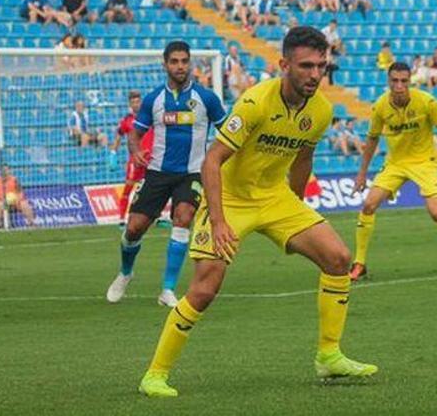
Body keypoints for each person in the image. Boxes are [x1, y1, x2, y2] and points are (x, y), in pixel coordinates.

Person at [137, 27, 377, 398]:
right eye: (306, 66)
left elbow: (304, 157)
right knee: (205, 289)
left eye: (321, 66)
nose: (315, 74)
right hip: (230, 199)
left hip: (275, 197)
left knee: (338, 257)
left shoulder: (322, 109)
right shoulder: (254, 103)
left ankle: (329, 355)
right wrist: (217, 221)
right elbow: (212, 162)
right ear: (284, 65)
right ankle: (155, 374)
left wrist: (296, 205)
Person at [105, 41, 227, 308]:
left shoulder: (206, 98)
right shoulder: (153, 99)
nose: (180, 66)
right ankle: (126, 272)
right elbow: (135, 134)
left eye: (184, 61)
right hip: (158, 173)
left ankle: (168, 290)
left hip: (192, 173)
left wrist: (219, 160)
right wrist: (136, 151)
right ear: (165, 64)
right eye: (175, 61)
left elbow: (228, 132)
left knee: (183, 218)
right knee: (134, 228)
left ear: (190, 63)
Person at [349, 62, 437, 281]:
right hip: (395, 163)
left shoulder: (426, 102)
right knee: (369, 204)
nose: (399, 86)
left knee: (436, 211)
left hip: (424, 162)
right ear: (388, 81)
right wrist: (362, 173)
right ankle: (359, 263)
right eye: (394, 81)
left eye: (403, 81)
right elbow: (372, 139)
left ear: (410, 81)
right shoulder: (380, 106)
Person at [110, 90, 155, 225]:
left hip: (150, 158)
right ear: (130, 104)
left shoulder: (149, 117)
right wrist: (113, 152)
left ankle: (157, 217)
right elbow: (119, 135)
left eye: (137, 101)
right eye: (133, 102)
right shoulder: (127, 120)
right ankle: (122, 218)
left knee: (155, 188)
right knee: (128, 187)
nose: (136, 104)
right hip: (134, 160)